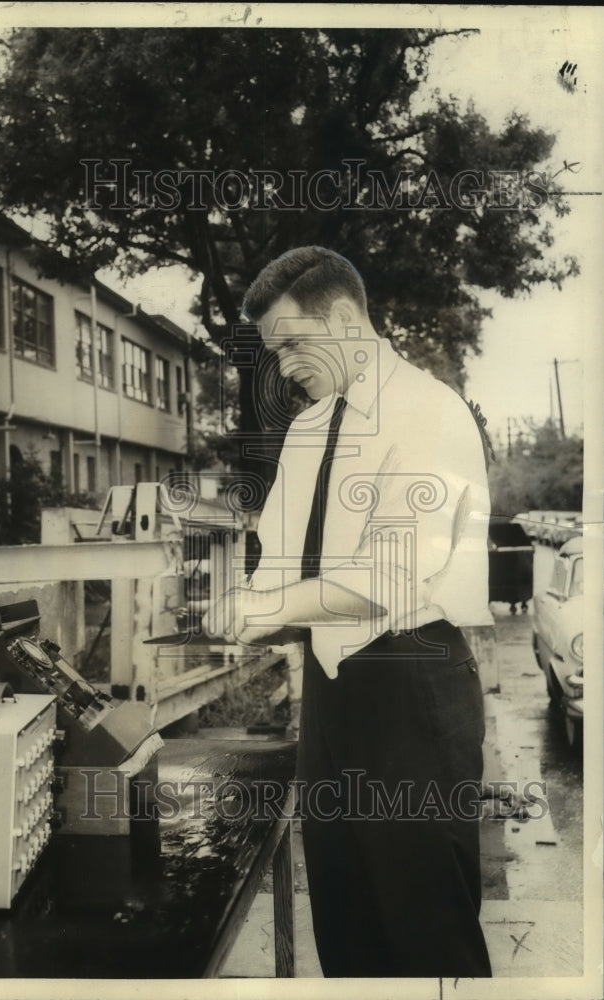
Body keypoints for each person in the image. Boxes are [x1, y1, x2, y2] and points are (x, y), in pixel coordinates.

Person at [203, 246, 494, 978]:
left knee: (426, 926)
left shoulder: (428, 410)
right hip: (331, 688)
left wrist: (272, 603)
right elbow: (278, 557)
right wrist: (243, 604)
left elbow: (390, 573)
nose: (284, 367)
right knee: (344, 915)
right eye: (274, 353)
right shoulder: (304, 431)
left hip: (413, 683)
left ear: (342, 317)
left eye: (294, 344)